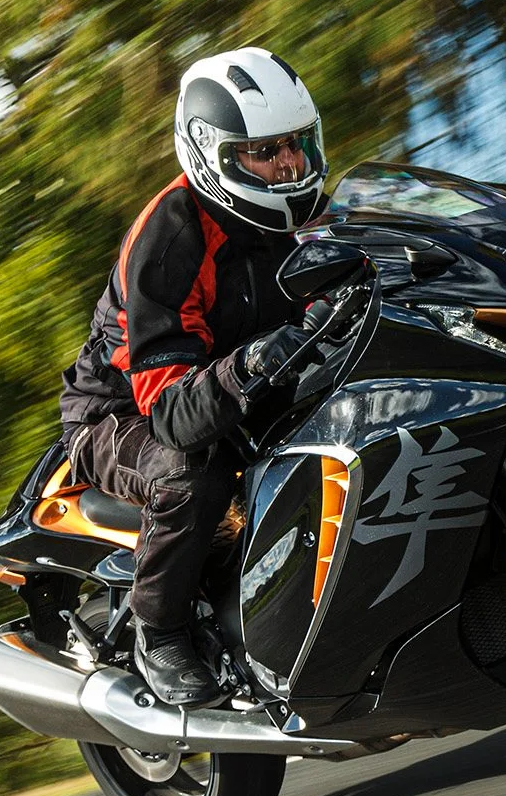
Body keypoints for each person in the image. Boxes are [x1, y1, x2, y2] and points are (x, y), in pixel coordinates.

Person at [58, 47, 330, 708]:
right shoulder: (171, 238)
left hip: (241, 388)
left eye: (295, 144)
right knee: (192, 471)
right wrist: (255, 361)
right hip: (120, 414)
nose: (288, 164)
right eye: (264, 151)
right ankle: (160, 631)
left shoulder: (306, 211)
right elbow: (173, 414)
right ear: (214, 155)